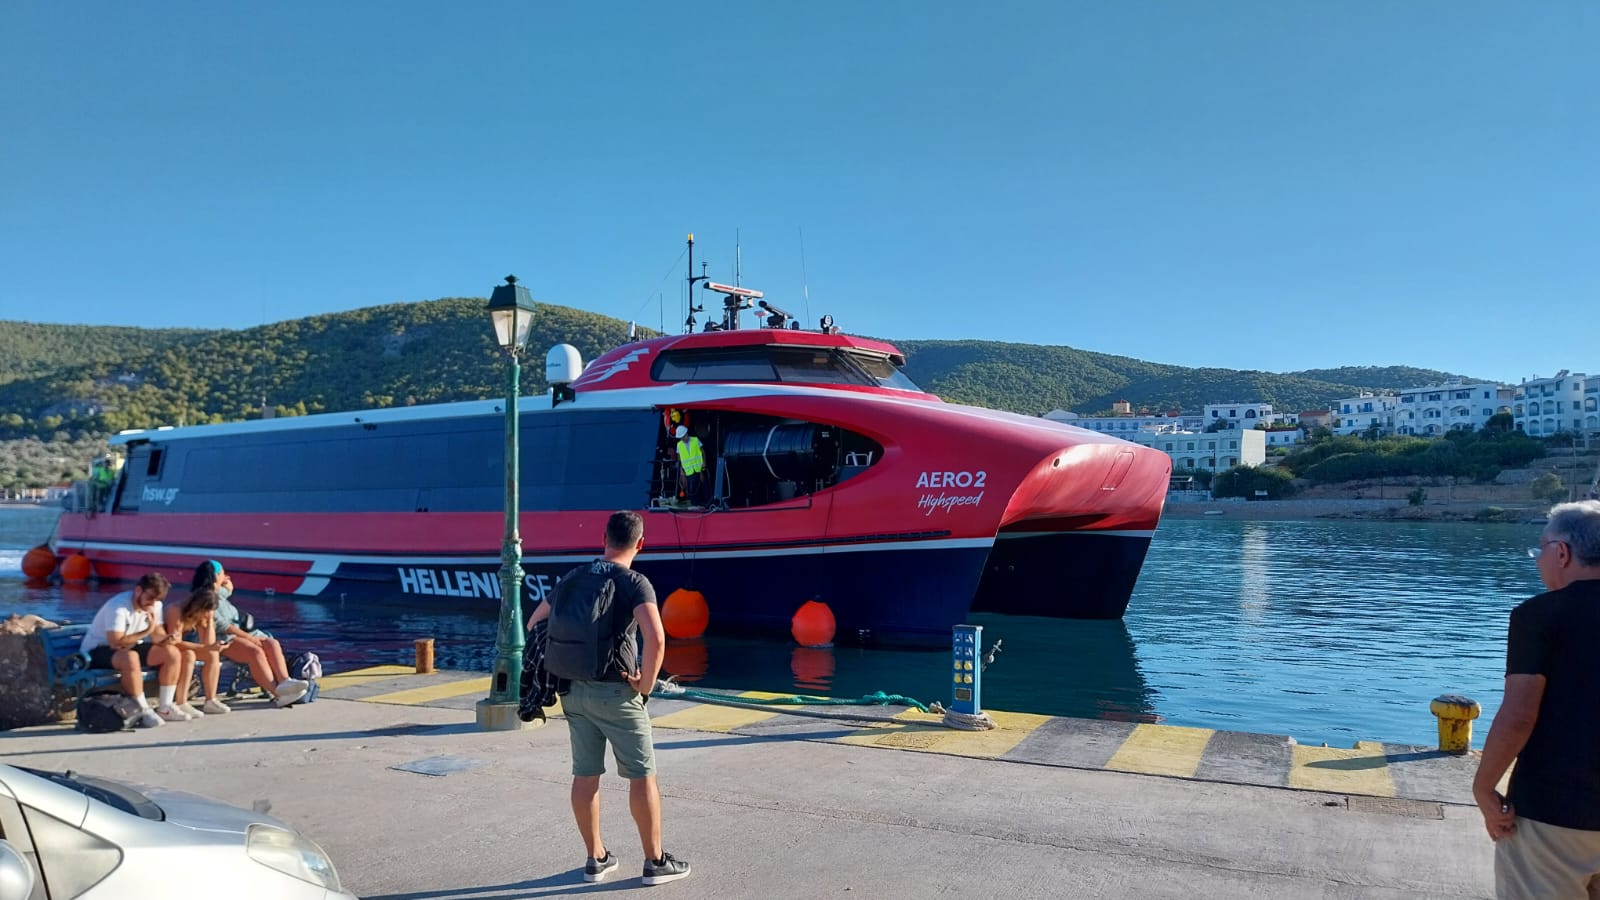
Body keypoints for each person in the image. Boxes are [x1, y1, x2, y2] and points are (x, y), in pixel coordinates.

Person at [527, 510, 690, 886]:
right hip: (617, 693)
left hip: (572, 694)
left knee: (585, 775)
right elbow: (657, 638)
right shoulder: (635, 582)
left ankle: (596, 858)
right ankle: (655, 862)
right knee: (641, 776)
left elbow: (536, 623)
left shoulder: (572, 577)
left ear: (603, 537)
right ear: (641, 544)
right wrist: (645, 685)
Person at [1473, 500, 1600, 899]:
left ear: (1562, 552)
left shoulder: (1538, 615)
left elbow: (1519, 715)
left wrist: (1484, 787)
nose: (1537, 561)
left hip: (1554, 809)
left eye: (1539, 550)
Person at [79, 572, 194, 726]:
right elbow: (116, 643)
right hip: (97, 651)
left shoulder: (155, 605)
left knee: (171, 653)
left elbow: (157, 634)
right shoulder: (118, 607)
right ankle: (143, 710)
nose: (153, 603)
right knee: (130, 657)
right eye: (150, 598)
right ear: (138, 590)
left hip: (131, 646)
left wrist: (166, 639)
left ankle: (165, 707)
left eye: (157, 600)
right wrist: (147, 630)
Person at [191, 561, 309, 707]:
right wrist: (250, 638)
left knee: (271, 643)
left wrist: (224, 580)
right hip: (222, 639)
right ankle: (278, 693)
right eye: (222, 573)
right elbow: (224, 627)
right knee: (255, 651)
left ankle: (285, 681)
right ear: (215, 576)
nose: (225, 575)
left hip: (237, 635)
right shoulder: (205, 598)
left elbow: (228, 589)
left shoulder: (217, 593)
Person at [163, 586, 232, 715]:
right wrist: (207, 647)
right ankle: (181, 702)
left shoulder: (201, 616)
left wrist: (210, 621)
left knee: (212, 655)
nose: (207, 614)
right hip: (165, 648)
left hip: (177, 648)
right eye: (206, 610)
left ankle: (211, 699)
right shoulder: (175, 610)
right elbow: (175, 642)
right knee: (189, 655)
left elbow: (208, 643)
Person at [674, 425, 707, 507]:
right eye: (681, 438)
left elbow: (703, 452)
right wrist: (682, 471)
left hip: (700, 469)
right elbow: (679, 459)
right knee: (692, 490)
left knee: (704, 487)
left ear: (687, 434)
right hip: (689, 472)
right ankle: (694, 505)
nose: (683, 439)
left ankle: (706, 503)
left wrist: (704, 464)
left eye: (684, 436)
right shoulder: (679, 445)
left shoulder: (695, 440)